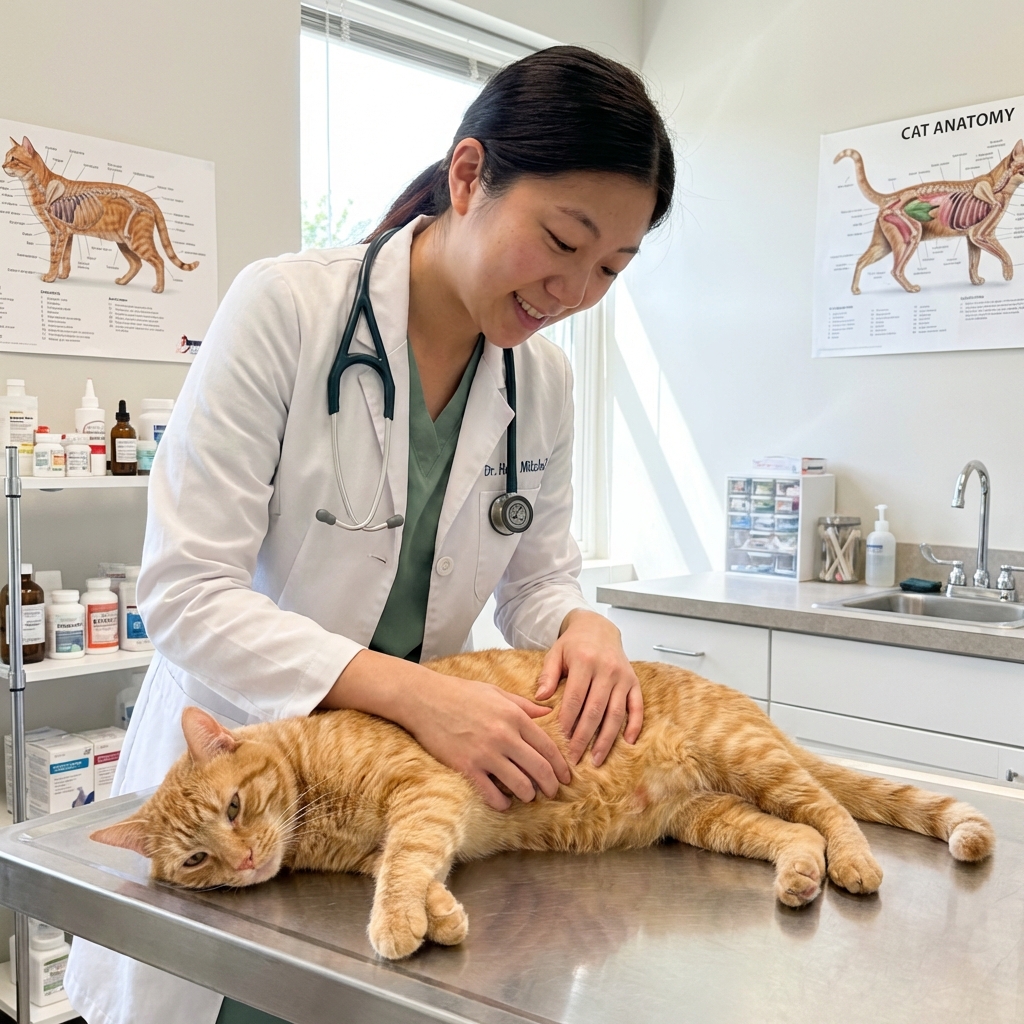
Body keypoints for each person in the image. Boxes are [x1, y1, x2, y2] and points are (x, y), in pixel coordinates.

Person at [64, 44, 675, 1024]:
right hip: (249, 787)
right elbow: (186, 591)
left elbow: (537, 578)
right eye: (562, 241)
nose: (574, 291)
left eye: (610, 267)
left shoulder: (543, 382)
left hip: (413, 792)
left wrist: (581, 626)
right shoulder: (285, 310)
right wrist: (418, 695)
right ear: (469, 175)